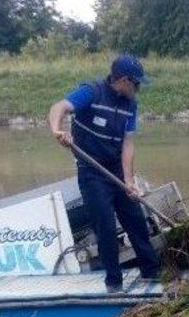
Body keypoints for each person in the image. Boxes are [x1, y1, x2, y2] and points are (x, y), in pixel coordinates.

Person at [48, 54, 160, 292]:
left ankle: (152, 275)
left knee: (136, 221)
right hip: (92, 172)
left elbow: (128, 144)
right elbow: (59, 107)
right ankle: (114, 285)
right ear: (124, 80)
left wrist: (128, 181)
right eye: (137, 83)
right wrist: (57, 130)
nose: (138, 89)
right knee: (106, 227)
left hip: (116, 170)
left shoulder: (131, 105)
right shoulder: (92, 92)